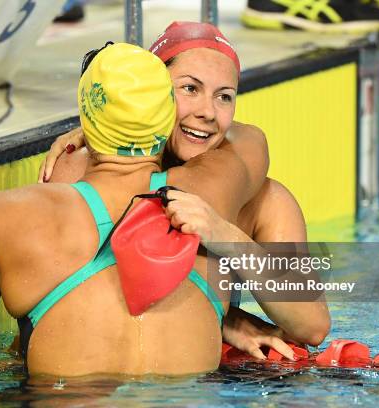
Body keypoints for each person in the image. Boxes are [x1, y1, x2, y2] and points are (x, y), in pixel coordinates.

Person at [0, 42, 261, 377]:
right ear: (169, 116)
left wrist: (37, 368)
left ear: (86, 118)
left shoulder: (1, 215)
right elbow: (313, 324)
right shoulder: (217, 193)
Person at [38, 21, 331, 357]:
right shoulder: (84, 171)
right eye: (190, 89)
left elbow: (313, 325)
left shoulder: (266, 201)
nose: (207, 112)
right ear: (154, 95)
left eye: (224, 97)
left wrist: (222, 233)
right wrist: (224, 318)